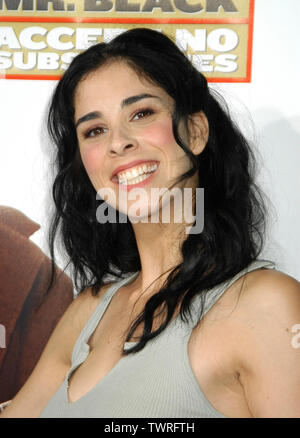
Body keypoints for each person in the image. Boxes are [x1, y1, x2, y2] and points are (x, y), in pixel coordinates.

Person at [1, 28, 299, 418]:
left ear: (195, 131)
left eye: (141, 113)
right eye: (94, 130)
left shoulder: (267, 303)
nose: (117, 142)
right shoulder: (87, 310)